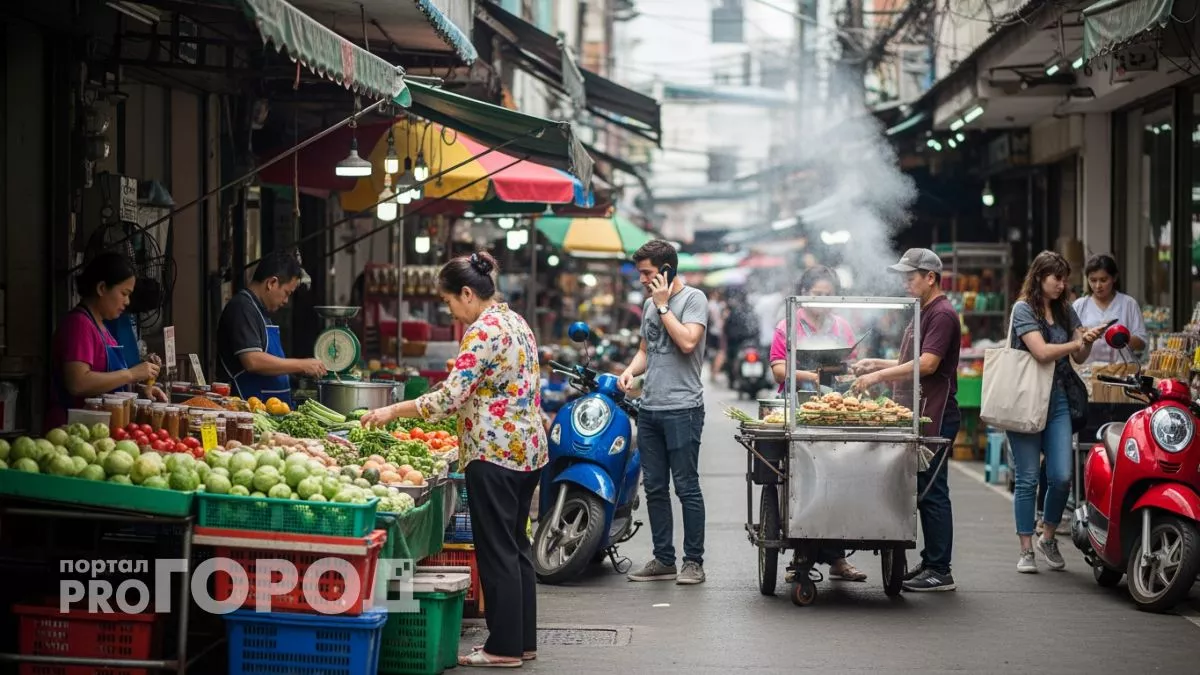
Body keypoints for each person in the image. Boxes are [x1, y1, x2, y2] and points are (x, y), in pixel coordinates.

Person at [361, 252, 545, 668]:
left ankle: (502, 649)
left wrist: (393, 410)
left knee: (497, 549)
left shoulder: (482, 331)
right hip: (529, 449)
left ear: (467, 293)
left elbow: (448, 398)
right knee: (516, 545)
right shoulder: (515, 321)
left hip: (493, 451)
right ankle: (521, 641)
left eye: (449, 302)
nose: (450, 311)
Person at [851, 248, 962, 592]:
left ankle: (940, 569)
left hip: (937, 412)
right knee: (924, 487)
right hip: (921, 409)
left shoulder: (941, 314)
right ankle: (931, 561)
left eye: (910, 277)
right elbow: (911, 361)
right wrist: (876, 363)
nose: (905, 282)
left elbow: (927, 365)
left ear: (930, 277)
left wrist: (878, 378)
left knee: (932, 490)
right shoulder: (922, 310)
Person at [1004, 251, 1104, 574]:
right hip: (1026, 399)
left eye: (1064, 279)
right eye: (1056, 278)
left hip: (1059, 399)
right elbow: (1042, 352)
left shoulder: (1066, 310)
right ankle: (1025, 549)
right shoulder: (1023, 309)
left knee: (1061, 476)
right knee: (1028, 478)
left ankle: (1047, 536)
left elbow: (1081, 358)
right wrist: (1075, 345)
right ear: (1039, 277)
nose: (1062, 285)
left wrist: (1087, 339)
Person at [618, 240, 709, 585]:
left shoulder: (693, 300)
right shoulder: (647, 305)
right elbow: (647, 348)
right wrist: (631, 370)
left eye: (647, 273)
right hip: (650, 408)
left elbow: (687, 342)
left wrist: (664, 306)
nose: (641, 279)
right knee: (655, 487)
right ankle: (663, 558)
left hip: (683, 408)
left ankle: (693, 562)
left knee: (686, 487)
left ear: (666, 270)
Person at [769, 265, 866, 582]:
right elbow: (779, 370)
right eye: (816, 294)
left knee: (840, 478)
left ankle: (838, 558)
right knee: (803, 478)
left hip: (836, 410)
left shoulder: (842, 327)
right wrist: (815, 376)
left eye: (828, 294)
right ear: (804, 294)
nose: (822, 300)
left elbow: (851, 367)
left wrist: (848, 377)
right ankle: (801, 555)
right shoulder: (787, 325)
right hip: (798, 409)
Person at [47, 252, 165, 430]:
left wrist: (140, 390)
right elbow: (78, 383)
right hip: (73, 429)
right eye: (124, 293)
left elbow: (107, 384)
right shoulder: (79, 324)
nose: (127, 302)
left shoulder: (101, 327)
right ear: (102, 288)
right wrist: (132, 374)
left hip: (99, 429)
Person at [217, 251, 326, 405]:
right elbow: (253, 360)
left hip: (271, 412)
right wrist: (302, 365)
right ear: (272, 283)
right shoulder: (242, 308)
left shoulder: (261, 312)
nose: (286, 301)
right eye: (286, 293)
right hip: (248, 412)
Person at [1071, 253, 1147, 363]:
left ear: (1114, 278)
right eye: (1093, 280)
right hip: (1087, 373)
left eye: (1103, 280)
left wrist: (1121, 337)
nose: (1098, 286)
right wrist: (1083, 337)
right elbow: (1071, 343)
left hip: (1122, 372)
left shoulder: (1128, 304)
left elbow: (1142, 342)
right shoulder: (1079, 305)